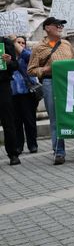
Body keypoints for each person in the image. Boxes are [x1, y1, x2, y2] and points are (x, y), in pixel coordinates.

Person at [28, 17, 74, 165]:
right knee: (55, 118)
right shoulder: (38, 47)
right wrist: (45, 69)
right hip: (50, 82)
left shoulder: (66, 44)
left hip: (69, 83)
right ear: (47, 28)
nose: (60, 27)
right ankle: (59, 152)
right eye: (57, 24)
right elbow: (31, 70)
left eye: (61, 25)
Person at [10, 35, 39, 154]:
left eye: (23, 43)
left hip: (27, 92)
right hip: (12, 93)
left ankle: (32, 144)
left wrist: (15, 43)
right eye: (18, 42)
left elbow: (28, 57)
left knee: (29, 120)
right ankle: (19, 146)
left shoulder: (27, 54)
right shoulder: (8, 56)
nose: (21, 44)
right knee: (16, 122)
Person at [1, 36, 21, 165]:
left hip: (2, 86)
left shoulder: (5, 42)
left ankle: (13, 154)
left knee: (8, 122)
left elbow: (15, 65)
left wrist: (9, 62)